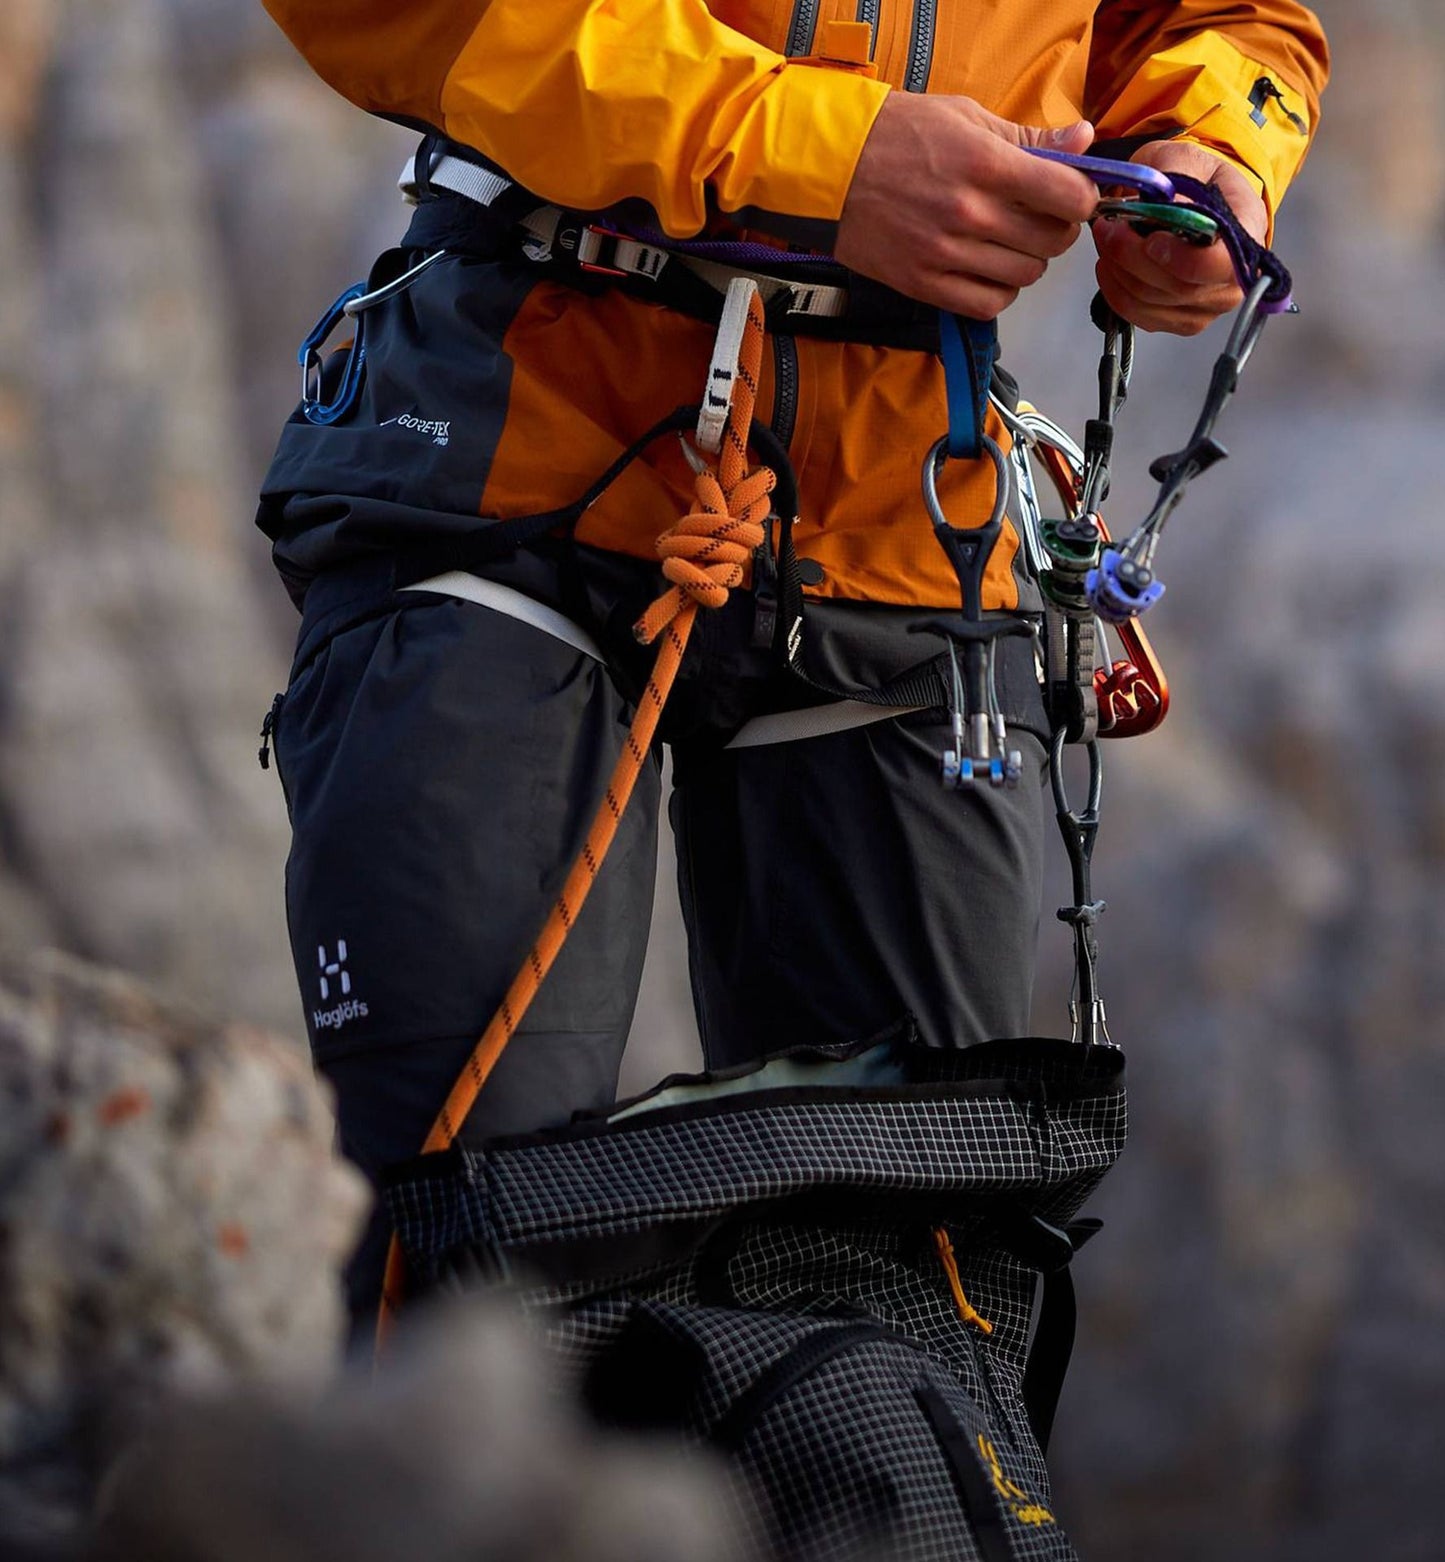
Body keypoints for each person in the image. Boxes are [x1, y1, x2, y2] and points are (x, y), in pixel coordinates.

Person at [255, 0, 1328, 1327]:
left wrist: (1206, 143)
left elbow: (1230, 22)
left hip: (904, 505)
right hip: (521, 442)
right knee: (472, 1266)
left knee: (919, 1302)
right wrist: (809, 152)